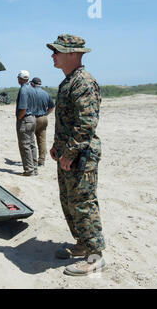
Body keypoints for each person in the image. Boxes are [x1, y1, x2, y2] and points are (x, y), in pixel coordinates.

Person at [47, 34, 106, 276]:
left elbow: (86, 124)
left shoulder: (83, 82)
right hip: (68, 154)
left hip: (80, 157)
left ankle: (94, 256)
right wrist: (56, 146)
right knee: (69, 203)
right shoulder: (69, 81)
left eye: (57, 51)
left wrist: (69, 154)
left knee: (83, 205)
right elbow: (67, 122)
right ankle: (83, 244)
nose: (53, 55)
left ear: (72, 54)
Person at [15, 70, 38, 176]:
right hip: (33, 118)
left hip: (25, 119)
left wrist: (19, 118)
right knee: (32, 144)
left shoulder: (23, 89)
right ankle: (34, 168)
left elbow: (23, 108)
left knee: (25, 145)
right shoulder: (32, 89)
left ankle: (29, 170)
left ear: (20, 79)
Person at [30, 77, 55, 167]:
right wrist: (45, 114)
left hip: (32, 118)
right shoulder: (46, 93)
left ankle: (31, 160)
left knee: (30, 140)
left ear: (32, 84)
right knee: (42, 140)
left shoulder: (30, 93)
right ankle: (41, 160)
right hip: (43, 118)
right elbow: (52, 107)